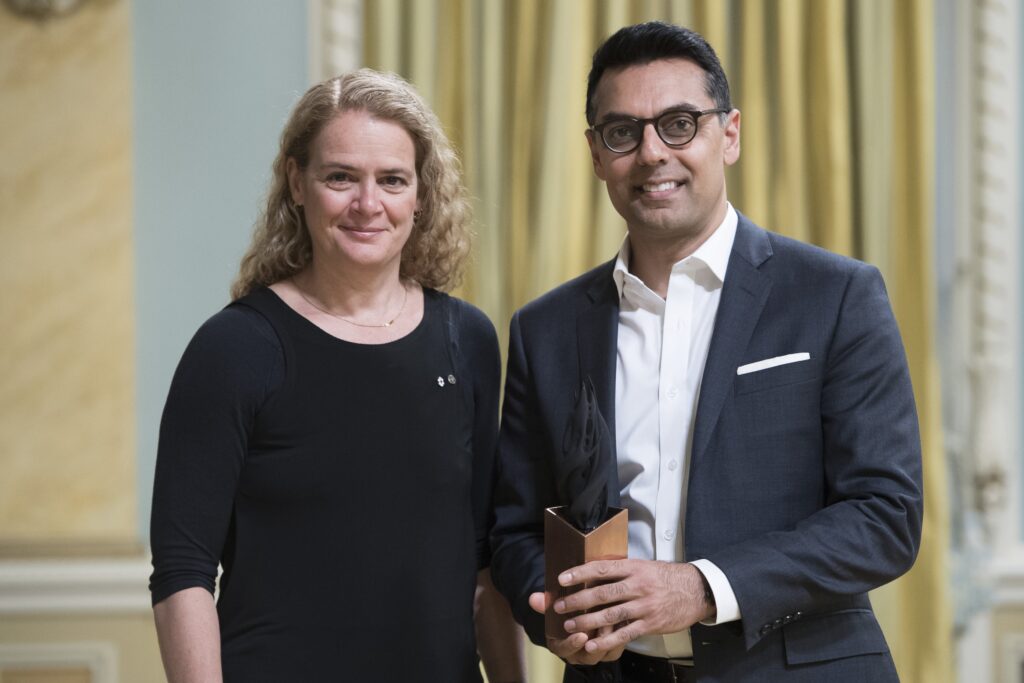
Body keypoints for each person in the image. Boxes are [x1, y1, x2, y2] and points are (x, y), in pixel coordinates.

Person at [490, 21, 923, 683]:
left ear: (730, 134)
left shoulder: (835, 295)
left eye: (680, 123)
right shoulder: (542, 330)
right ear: (596, 154)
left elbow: (885, 516)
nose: (652, 152)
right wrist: (554, 614)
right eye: (622, 131)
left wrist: (700, 586)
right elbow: (515, 528)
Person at [149, 69, 525, 683]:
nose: (367, 204)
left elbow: (485, 562)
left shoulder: (469, 341)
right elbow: (182, 572)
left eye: (392, 180)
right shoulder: (235, 348)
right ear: (298, 184)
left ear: (420, 195)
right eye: (341, 177)